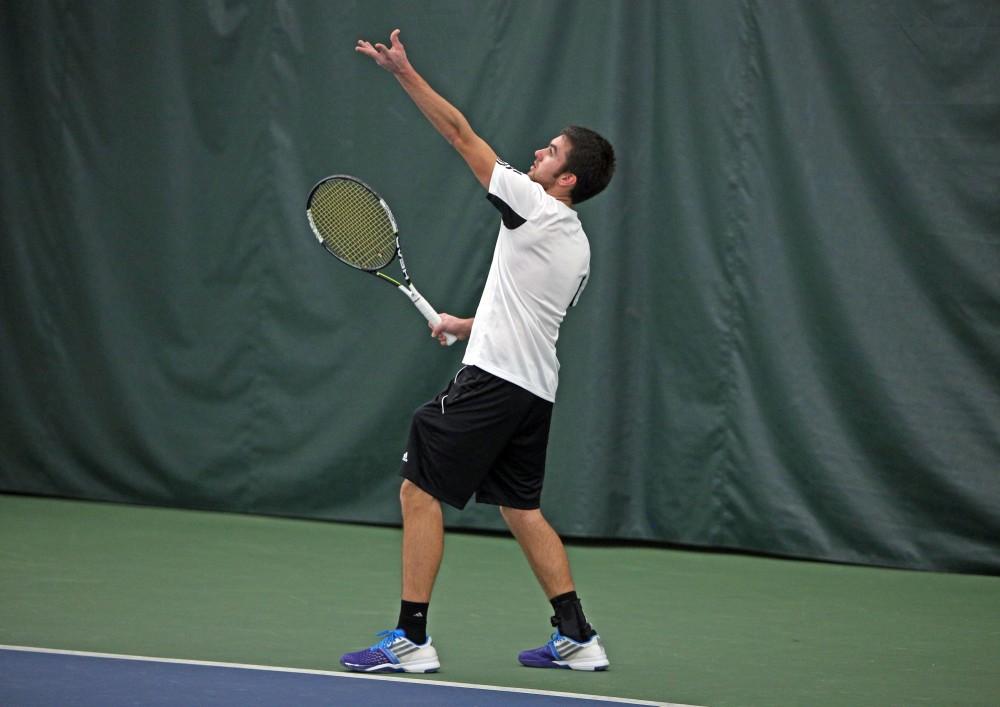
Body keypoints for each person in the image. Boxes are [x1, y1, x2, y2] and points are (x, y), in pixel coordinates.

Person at [340, 29, 615, 674]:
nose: (536, 154)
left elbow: (461, 134)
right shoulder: (575, 244)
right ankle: (577, 635)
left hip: (493, 384)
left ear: (566, 178)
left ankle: (411, 638)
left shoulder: (536, 207)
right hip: (533, 392)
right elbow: (528, 314)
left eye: (549, 152)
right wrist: (464, 325)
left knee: (417, 488)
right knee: (521, 508)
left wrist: (404, 72)